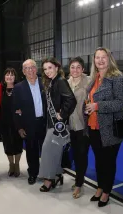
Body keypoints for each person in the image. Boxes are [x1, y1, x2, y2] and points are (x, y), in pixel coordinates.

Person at [85, 47, 123, 207]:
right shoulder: (93, 79)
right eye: (97, 57)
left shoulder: (118, 79)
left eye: (104, 57)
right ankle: (100, 186)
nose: (101, 60)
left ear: (109, 59)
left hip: (111, 129)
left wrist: (97, 106)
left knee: (108, 162)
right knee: (98, 161)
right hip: (93, 126)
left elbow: (122, 103)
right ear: (94, 60)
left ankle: (106, 192)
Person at [38, 58, 76, 192]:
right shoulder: (52, 82)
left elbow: (71, 99)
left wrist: (63, 114)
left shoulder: (60, 81)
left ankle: (49, 180)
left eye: (50, 68)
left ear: (56, 67)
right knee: (55, 151)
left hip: (58, 125)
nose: (47, 71)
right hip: (52, 123)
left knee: (47, 150)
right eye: (45, 69)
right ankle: (58, 174)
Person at [13, 59, 47, 185]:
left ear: (36, 69)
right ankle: (33, 173)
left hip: (45, 123)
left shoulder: (45, 83)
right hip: (29, 124)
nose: (30, 70)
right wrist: (19, 128)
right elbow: (15, 110)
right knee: (31, 150)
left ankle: (46, 173)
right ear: (23, 71)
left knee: (46, 150)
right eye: (27, 68)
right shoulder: (18, 87)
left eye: (32, 67)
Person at [67, 56, 91, 198]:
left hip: (84, 126)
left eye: (78, 67)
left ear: (83, 69)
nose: (75, 70)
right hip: (70, 126)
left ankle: (79, 184)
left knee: (82, 155)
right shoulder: (66, 83)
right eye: (72, 67)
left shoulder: (89, 82)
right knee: (75, 155)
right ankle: (78, 179)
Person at [0, 68, 23, 177]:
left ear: (15, 77)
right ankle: (11, 164)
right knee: (7, 143)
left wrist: (22, 110)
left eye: (12, 75)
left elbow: (25, 102)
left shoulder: (19, 89)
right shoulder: (0, 89)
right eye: (7, 75)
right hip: (4, 121)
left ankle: (17, 164)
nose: (9, 77)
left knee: (17, 143)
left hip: (17, 121)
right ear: (4, 78)